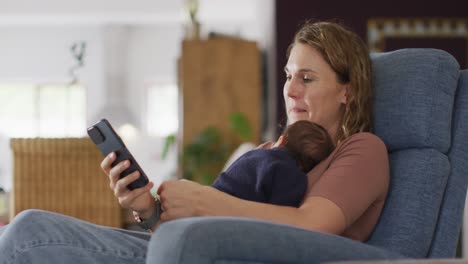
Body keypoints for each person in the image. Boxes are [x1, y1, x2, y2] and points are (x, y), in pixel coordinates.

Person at [0, 20, 389, 263]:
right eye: (289, 76)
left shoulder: (361, 149)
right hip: (195, 251)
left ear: (347, 92)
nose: (290, 89)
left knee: (30, 233)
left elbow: (312, 225)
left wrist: (203, 200)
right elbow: (189, 238)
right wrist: (148, 211)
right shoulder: (270, 152)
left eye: (307, 78)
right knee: (23, 229)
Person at [212, 120, 334, 207]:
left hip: (212, 197)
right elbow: (281, 215)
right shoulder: (296, 179)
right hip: (228, 214)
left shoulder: (255, 154)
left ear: (281, 140)